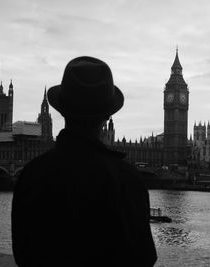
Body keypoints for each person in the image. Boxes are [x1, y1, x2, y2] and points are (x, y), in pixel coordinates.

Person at [12, 56, 157, 266]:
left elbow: (22, 253)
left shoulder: (32, 174)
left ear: (61, 111)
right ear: (106, 117)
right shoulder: (126, 179)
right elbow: (143, 257)